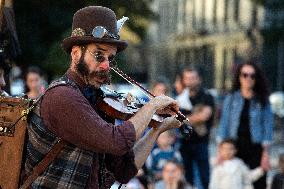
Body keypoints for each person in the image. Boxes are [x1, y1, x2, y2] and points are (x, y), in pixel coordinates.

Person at [22, 6, 182, 189]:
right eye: (99, 55)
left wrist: (157, 129)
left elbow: (125, 171)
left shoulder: (96, 99)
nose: (106, 65)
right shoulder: (62, 96)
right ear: (75, 54)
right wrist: (151, 106)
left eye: (111, 58)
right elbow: (117, 141)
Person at [217, 61, 273, 189]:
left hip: (256, 147)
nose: (248, 78)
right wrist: (220, 151)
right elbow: (224, 124)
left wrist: (265, 154)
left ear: (256, 78)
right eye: (245, 75)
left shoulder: (263, 100)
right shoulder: (230, 98)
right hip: (235, 147)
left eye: (252, 76)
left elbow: (267, 127)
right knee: (234, 182)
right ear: (239, 77)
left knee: (258, 183)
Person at [177, 66, 214, 189]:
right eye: (187, 78)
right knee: (187, 177)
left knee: (205, 178)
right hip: (183, 142)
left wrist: (184, 119)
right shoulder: (180, 98)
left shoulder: (207, 96)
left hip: (201, 142)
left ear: (199, 79)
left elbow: (204, 116)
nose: (190, 81)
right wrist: (193, 118)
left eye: (193, 78)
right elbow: (176, 118)